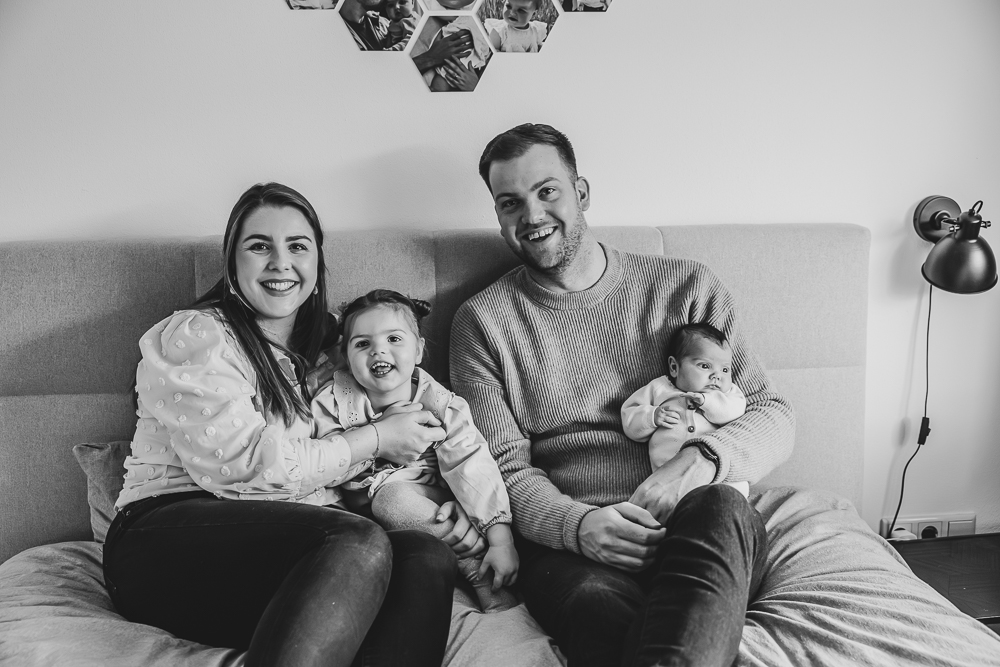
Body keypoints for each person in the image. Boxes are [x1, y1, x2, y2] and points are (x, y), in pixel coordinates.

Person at [449, 124, 795, 667]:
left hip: (699, 518)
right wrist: (577, 527)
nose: (532, 216)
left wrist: (699, 460)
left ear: (581, 193)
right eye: (510, 203)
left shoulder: (687, 289)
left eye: (548, 191)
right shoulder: (483, 322)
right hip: (575, 544)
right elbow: (502, 471)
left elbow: (773, 415)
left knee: (722, 506)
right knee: (596, 607)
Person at [103, 182, 477, 667]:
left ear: (317, 264)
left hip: (284, 552)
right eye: (259, 246)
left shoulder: (337, 348)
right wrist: (378, 438)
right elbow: (248, 468)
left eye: (297, 247)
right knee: (352, 538)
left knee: (425, 558)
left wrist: (450, 509)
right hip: (166, 542)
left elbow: (420, 428)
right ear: (232, 262)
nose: (281, 262)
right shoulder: (199, 334)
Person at [311, 289, 520, 612]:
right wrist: (375, 440)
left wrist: (500, 537)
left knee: (392, 499)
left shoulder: (438, 403)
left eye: (394, 339)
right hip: (363, 519)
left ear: (419, 349)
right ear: (347, 356)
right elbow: (325, 462)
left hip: (424, 496)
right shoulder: (332, 402)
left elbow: (471, 464)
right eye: (362, 343)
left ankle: (476, 566)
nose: (378, 350)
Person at [621, 322, 750, 499]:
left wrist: (708, 402)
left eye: (725, 369)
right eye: (705, 366)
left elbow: (736, 412)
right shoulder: (659, 389)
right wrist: (652, 416)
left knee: (727, 502)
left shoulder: (729, 394)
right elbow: (629, 417)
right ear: (674, 367)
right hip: (670, 486)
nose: (717, 375)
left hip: (722, 482)